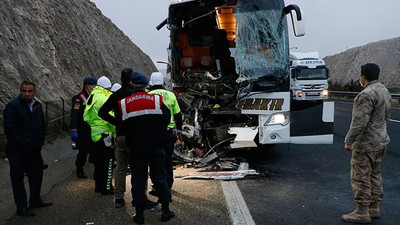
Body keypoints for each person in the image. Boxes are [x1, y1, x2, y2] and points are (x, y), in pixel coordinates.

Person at [118, 72, 174, 224]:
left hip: (136, 147)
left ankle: (139, 214)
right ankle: (166, 211)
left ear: (131, 84)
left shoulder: (124, 103)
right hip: (156, 145)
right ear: (146, 85)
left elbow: (122, 124)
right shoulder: (156, 100)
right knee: (159, 176)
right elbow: (167, 118)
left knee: (138, 179)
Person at [98, 69, 157, 209]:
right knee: (139, 167)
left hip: (120, 136)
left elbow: (102, 112)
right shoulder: (134, 95)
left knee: (120, 168)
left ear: (120, 78)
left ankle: (119, 198)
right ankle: (140, 197)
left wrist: (116, 122)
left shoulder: (116, 95)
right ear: (132, 80)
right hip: (135, 136)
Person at [342, 63, 391, 224]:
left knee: (361, 176)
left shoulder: (365, 95)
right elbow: (386, 116)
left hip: (366, 144)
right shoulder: (384, 90)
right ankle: (374, 208)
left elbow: (359, 123)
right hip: (381, 140)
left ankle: (362, 213)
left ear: (363, 77)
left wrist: (349, 140)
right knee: (375, 175)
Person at [3, 81, 53, 217]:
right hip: (17, 151)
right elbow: (9, 129)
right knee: (18, 179)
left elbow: (42, 126)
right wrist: (24, 143)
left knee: (37, 175)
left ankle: (35, 200)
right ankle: (21, 207)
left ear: (34, 92)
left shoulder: (37, 106)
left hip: (34, 150)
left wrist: (39, 142)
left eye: (29, 91)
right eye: (24, 91)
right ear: (20, 91)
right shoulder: (13, 106)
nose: (26, 94)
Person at [148, 72, 182, 193]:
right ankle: (168, 184)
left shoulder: (147, 95)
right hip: (168, 133)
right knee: (168, 159)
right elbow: (178, 115)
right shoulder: (171, 95)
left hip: (152, 134)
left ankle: (157, 185)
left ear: (151, 82)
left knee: (154, 160)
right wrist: (179, 131)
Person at [83, 76, 116, 195]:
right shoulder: (104, 98)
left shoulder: (92, 96)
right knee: (108, 163)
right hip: (106, 135)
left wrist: (94, 126)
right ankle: (107, 187)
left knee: (98, 163)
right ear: (107, 87)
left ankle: (98, 185)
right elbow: (112, 117)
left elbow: (86, 116)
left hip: (95, 135)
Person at [70, 76, 97, 179]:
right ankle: (79, 169)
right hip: (82, 130)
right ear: (87, 86)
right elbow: (74, 115)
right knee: (83, 151)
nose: (94, 87)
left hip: (93, 128)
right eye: (92, 85)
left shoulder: (94, 96)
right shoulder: (78, 99)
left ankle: (95, 168)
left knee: (94, 149)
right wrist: (74, 130)